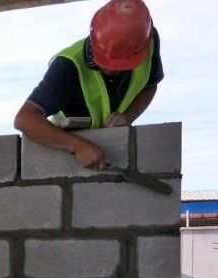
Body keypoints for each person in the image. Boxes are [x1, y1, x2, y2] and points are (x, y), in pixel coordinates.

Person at [14, 0, 164, 170]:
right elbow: (24, 119)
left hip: (106, 154)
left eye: (121, 65)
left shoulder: (145, 42)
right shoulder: (67, 67)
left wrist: (128, 117)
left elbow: (150, 86)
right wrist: (76, 146)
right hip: (66, 151)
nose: (112, 70)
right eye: (106, 63)